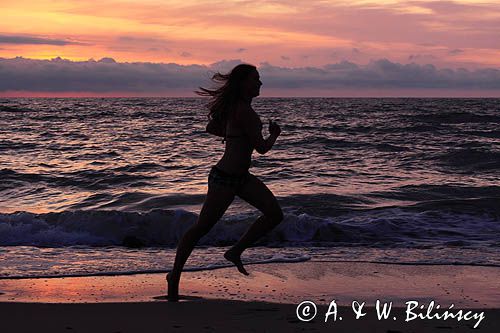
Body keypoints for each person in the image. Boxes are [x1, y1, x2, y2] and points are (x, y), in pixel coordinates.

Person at [166, 64, 283, 301]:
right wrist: (274, 134)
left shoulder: (236, 108)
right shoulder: (245, 112)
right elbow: (261, 148)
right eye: (256, 79)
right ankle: (175, 274)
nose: (260, 83)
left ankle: (235, 251)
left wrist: (233, 136)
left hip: (241, 178)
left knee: (274, 214)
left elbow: (212, 128)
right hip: (225, 180)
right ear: (243, 84)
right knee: (202, 227)